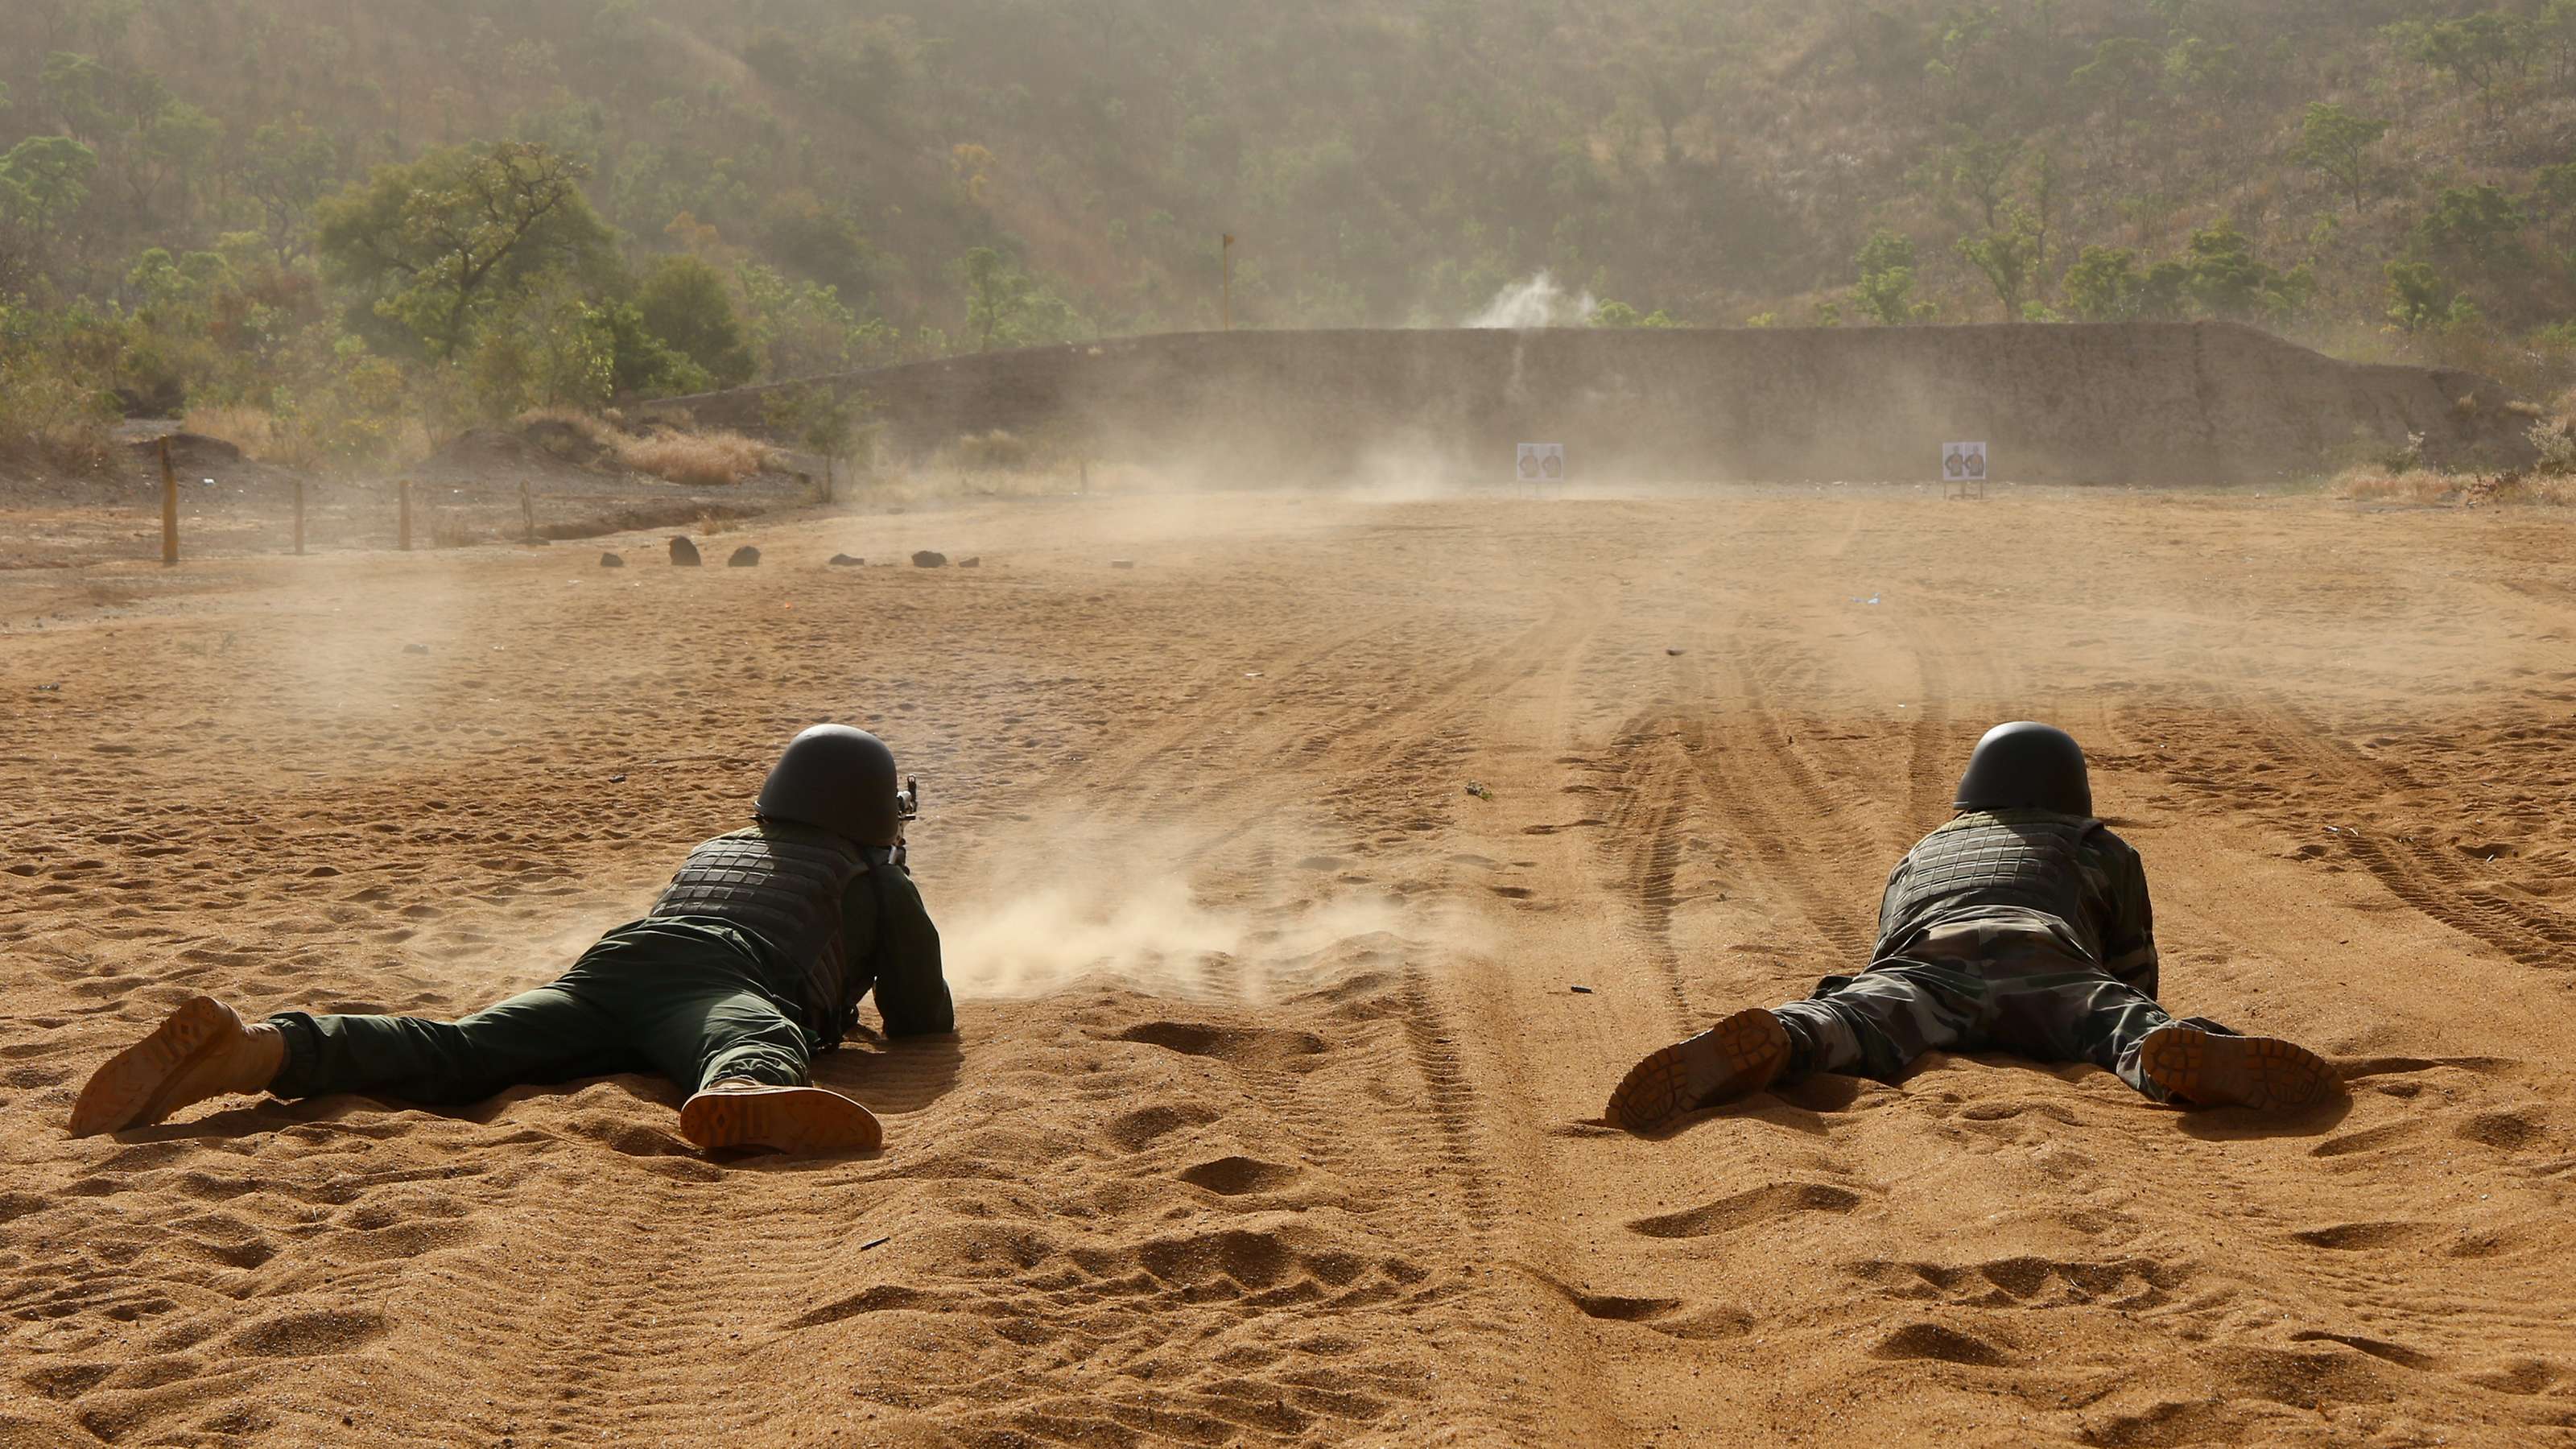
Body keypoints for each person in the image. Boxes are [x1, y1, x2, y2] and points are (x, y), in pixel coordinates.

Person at [69, 724, 951, 1156]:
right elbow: (920, 1018)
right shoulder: (875, 880)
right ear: (874, 814)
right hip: (729, 978)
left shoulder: (716, 846)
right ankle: (748, 1088)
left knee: (462, 1048)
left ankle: (260, 1048)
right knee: (747, 1033)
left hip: (614, 965)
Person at [1608, 721, 2334, 1131]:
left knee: (1855, 1019)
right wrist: (2137, 1008)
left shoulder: (1923, 850)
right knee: (2120, 1023)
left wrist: (1890, 995)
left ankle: (1789, 1036)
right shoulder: (2095, 845)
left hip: (1928, 965)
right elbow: (2130, 967)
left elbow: (1886, 949)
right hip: (2045, 959)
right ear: (2070, 791)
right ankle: (2170, 1060)